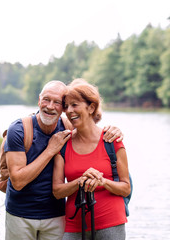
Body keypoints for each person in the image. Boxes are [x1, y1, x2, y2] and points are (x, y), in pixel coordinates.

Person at [4, 80, 124, 240]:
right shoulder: (19, 129)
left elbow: (90, 126)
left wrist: (114, 130)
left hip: (56, 216)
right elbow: (17, 182)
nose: (50, 106)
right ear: (39, 100)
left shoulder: (68, 127)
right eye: (46, 99)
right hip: (20, 215)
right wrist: (50, 150)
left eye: (58, 103)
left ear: (62, 108)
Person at [52, 79, 131, 240]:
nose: (69, 111)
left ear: (91, 107)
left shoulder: (112, 141)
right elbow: (57, 191)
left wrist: (103, 182)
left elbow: (125, 188)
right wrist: (81, 181)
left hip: (111, 223)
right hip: (74, 224)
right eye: (66, 106)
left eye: (75, 105)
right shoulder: (64, 144)